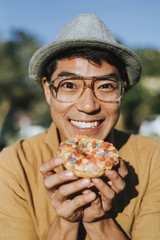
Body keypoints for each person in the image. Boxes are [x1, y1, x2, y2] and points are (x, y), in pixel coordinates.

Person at [0, 13, 160, 240]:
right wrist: (66, 221)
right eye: (68, 85)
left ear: (121, 93)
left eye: (105, 86)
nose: (88, 105)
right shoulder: (13, 164)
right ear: (48, 91)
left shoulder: (154, 160)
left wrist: (99, 222)